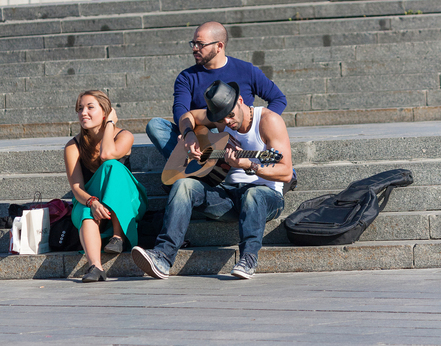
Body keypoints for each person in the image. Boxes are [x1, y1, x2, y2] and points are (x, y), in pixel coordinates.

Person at [132, 80, 293, 279]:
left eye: (231, 115)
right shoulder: (221, 119)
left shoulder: (269, 121)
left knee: (253, 193)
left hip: (266, 197)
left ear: (240, 100)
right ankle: (163, 257)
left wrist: (249, 165)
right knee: (183, 184)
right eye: (221, 118)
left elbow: (286, 172)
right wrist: (189, 134)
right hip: (228, 195)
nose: (227, 122)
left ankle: (248, 258)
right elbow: (188, 116)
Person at [146, 21, 287, 160]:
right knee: (155, 125)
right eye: (193, 43)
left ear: (219, 46)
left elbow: (278, 99)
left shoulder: (246, 70)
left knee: (219, 131)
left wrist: (260, 127)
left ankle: (199, 166)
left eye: (200, 44)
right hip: (197, 133)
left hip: (234, 133)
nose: (194, 48)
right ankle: (192, 164)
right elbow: (180, 109)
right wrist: (188, 132)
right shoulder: (186, 77)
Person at [64, 90, 148, 283]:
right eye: (80, 109)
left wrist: (110, 124)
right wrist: (92, 202)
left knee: (112, 166)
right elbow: (76, 188)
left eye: (90, 107)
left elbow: (106, 155)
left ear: (105, 112)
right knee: (86, 213)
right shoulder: (73, 146)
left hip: (125, 203)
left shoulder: (125, 136)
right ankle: (95, 267)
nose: (83, 112)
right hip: (88, 201)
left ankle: (117, 237)